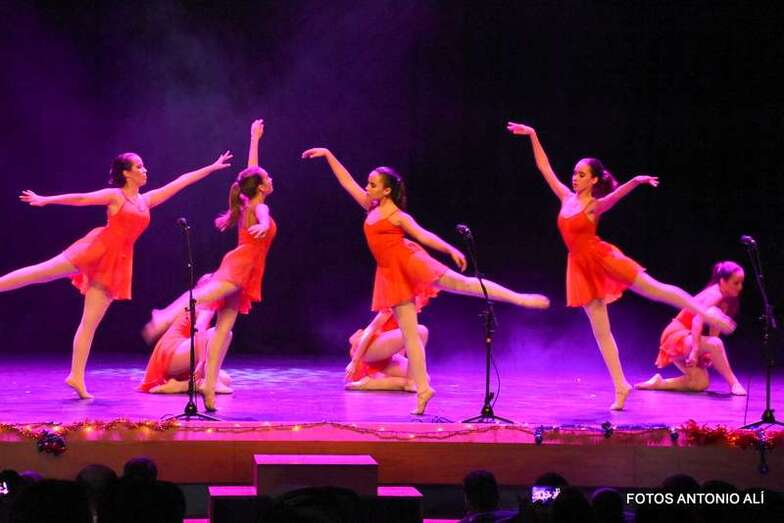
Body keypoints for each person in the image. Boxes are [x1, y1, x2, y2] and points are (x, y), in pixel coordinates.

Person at [302, 147, 549, 415]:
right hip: (390, 274)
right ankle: (423, 390)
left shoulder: (396, 214)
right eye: (368, 183)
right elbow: (346, 181)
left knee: (464, 284)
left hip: (410, 262)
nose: (367, 186)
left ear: (386, 191)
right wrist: (328, 155)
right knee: (411, 336)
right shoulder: (369, 205)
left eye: (372, 184)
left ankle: (519, 298)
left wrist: (449, 249)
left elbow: (423, 235)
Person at [507, 122, 734, 410]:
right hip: (579, 268)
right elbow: (544, 167)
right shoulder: (566, 197)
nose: (575, 178)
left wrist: (635, 182)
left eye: (581, 174)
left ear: (593, 180)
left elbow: (615, 196)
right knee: (601, 331)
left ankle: (706, 314)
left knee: (656, 290)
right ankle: (620, 385)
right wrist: (533, 135)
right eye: (574, 173)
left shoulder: (594, 205)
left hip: (603, 258)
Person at [0, 150, 233, 399]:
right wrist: (45, 199)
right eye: (140, 167)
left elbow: (181, 181)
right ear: (126, 173)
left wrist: (211, 166)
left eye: (144, 166)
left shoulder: (146, 200)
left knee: (90, 322)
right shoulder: (116, 196)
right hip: (96, 248)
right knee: (42, 272)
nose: (145, 170)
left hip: (117, 264)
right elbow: (81, 199)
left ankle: (76, 376)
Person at [143, 119, 275, 411]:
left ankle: (209, 388)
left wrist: (254, 139)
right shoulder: (259, 207)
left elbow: (252, 171)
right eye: (267, 177)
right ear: (262, 186)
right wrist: (263, 226)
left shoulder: (245, 203)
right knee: (201, 296)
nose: (271, 179)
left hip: (247, 272)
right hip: (241, 266)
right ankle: (163, 316)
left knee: (224, 330)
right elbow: (263, 211)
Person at [635, 261, 746, 395]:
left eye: (741, 283)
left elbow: (714, 326)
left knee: (700, 383)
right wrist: (696, 350)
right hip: (676, 334)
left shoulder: (723, 298)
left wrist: (708, 353)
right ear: (722, 281)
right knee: (716, 344)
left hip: (687, 337)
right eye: (736, 283)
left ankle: (660, 383)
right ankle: (734, 383)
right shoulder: (715, 294)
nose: (740, 287)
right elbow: (697, 320)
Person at [138, 273, 234, 395]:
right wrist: (202, 361)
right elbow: (199, 328)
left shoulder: (194, 303)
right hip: (173, 351)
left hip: (173, 354)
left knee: (226, 379)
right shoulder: (206, 304)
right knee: (224, 333)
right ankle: (211, 383)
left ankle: (181, 385)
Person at [344, 309, 427, 392]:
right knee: (421, 330)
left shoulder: (410, 307)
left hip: (384, 356)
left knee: (423, 379)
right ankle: (408, 383)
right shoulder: (393, 305)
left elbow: (407, 341)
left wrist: (398, 364)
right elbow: (370, 330)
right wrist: (354, 362)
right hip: (368, 349)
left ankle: (372, 383)